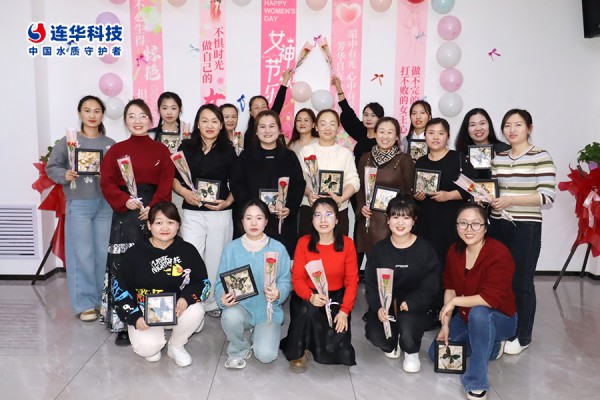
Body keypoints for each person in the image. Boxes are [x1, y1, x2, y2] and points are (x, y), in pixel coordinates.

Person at [100, 98, 175, 345]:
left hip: (154, 214)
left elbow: (166, 182)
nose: (137, 121)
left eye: (142, 116)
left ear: (150, 120)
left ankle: (157, 316)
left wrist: (154, 208)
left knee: (153, 265)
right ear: (125, 121)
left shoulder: (161, 150)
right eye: (131, 116)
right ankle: (124, 322)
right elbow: (106, 182)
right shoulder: (116, 150)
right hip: (126, 215)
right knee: (124, 267)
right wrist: (124, 200)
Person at [429, 203, 517, 400]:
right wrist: (445, 324)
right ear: (456, 226)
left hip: (500, 318)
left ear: (485, 227)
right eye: (463, 223)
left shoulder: (499, 253)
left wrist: (454, 302)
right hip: (465, 316)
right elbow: (450, 287)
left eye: (475, 224)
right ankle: (491, 346)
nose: (469, 229)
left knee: (479, 313)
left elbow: (489, 299)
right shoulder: (455, 250)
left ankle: (477, 381)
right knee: (437, 354)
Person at [489, 109, 556, 355]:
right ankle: (505, 328)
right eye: (507, 125)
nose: (512, 130)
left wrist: (510, 200)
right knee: (500, 280)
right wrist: (489, 199)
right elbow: (495, 191)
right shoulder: (499, 158)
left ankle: (523, 335)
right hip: (499, 224)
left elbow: (546, 196)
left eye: (518, 124)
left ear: (529, 128)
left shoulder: (541, 156)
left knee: (522, 281)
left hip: (526, 226)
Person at [113, 202, 210, 367]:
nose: (165, 228)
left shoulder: (188, 251)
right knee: (149, 351)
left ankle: (176, 344)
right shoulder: (133, 254)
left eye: (170, 222)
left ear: (178, 225)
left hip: (177, 309)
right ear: (149, 225)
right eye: (158, 222)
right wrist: (135, 317)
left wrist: (186, 298)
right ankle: (155, 340)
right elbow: (120, 289)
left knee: (196, 310)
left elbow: (203, 283)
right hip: (145, 312)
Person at [46, 95, 115, 321]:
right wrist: (64, 175)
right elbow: (52, 167)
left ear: (102, 114)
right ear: (79, 114)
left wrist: (109, 176)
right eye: (87, 110)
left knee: (102, 254)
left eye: (97, 111)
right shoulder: (68, 142)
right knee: (81, 254)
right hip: (79, 203)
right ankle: (85, 304)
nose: (92, 115)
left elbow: (119, 175)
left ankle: (103, 301)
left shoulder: (110, 144)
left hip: (105, 205)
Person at [172, 104, 236, 318]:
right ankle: (191, 300)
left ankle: (211, 302)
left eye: (215, 121)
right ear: (197, 124)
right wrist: (184, 193)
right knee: (191, 258)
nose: (210, 125)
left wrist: (227, 202)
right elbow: (174, 178)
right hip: (193, 213)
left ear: (221, 126)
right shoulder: (186, 147)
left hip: (220, 214)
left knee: (215, 260)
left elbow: (239, 182)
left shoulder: (229, 150)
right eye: (205, 120)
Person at [364, 196, 440, 373]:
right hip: (386, 304)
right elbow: (371, 283)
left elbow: (431, 283)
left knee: (408, 325)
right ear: (388, 219)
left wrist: (413, 301)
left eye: (406, 217)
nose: (400, 222)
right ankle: (393, 343)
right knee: (375, 335)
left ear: (414, 221)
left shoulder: (425, 249)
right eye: (395, 217)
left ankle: (411, 351)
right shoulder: (379, 250)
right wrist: (378, 307)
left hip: (413, 305)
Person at [280, 197, 359, 367]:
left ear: (336, 220)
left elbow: (352, 281)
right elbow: (297, 278)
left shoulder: (347, 244)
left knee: (337, 350)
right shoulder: (303, 243)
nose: (323, 220)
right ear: (312, 220)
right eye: (318, 215)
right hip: (308, 294)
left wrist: (344, 311)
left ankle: (317, 345)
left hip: (336, 297)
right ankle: (300, 350)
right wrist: (310, 296)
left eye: (328, 214)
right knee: (307, 310)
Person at [214, 200, 292, 369]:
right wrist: (222, 298)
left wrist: (279, 293)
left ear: (266, 221)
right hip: (240, 307)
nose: (254, 223)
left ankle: (259, 333)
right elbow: (220, 282)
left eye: (259, 218)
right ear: (242, 221)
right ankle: (238, 348)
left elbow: (285, 280)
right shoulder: (231, 249)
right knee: (229, 316)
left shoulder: (278, 248)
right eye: (248, 218)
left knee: (266, 356)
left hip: (268, 310)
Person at [413, 118, 474, 324]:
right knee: (429, 266)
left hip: (451, 223)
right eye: (431, 133)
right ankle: (432, 307)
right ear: (425, 136)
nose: (436, 137)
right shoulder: (421, 162)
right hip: (427, 223)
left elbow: (472, 189)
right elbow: (416, 191)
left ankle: (452, 308)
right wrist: (417, 195)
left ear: (448, 136)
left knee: (451, 265)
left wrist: (449, 196)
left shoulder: (459, 159)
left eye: (441, 133)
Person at [230, 110, 305, 257]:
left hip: (281, 221)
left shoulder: (289, 157)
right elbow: (236, 183)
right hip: (253, 221)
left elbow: (298, 185)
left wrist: (289, 208)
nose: (267, 131)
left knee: (279, 261)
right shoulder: (246, 156)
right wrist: (251, 207)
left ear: (279, 130)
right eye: (262, 126)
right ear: (256, 131)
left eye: (271, 126)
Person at [356, 117, 415, 256]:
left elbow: (409, 193)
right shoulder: (365, 158)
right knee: (372, 261)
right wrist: (361, 206)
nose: (385, 136)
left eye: (390, 132)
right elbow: (360, 188)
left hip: (393, 222)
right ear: (375, 134)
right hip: (369, 220)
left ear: (396, 137)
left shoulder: (404, 159)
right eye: (381, 132)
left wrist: (399, 213)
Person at [298, 109, 360, 236]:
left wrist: (341, 198)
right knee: (309, 246)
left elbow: (354, 181)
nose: (327, 128)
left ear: (338, 128)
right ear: (316, 127)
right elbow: (298, 181)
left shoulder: (345, 154)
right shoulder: (306, 151)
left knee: (338, 247)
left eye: (332, 124)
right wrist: (309, 193)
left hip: (339, 211)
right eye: (323, 124)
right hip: (310, 210)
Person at [331, 75, 383, 165]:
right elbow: (347, 111)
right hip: (356, 172)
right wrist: (339, 88)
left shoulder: (383, 138)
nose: (369, 118)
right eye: (366, 115)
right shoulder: (361, 132)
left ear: (380, 119)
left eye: (373, 115)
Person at [454, 108, 510, 179]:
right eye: (472, 125)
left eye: (482, 123)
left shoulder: (504, 150)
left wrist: (498, 166)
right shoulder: (461, 155)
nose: (478, 128)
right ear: (466, 129)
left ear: (489, 125)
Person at [243, 69, 292, 148]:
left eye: (263, 106)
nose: (261, 110)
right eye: (256, 107)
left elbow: (278, 102)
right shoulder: (249, 134)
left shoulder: (272, 118)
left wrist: (285, 80)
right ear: (251, 112)